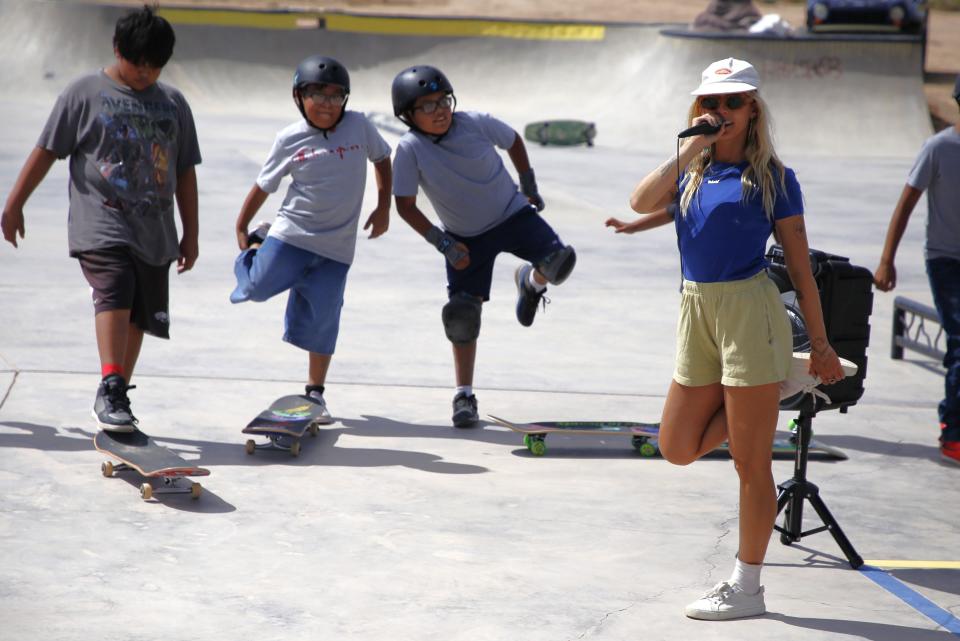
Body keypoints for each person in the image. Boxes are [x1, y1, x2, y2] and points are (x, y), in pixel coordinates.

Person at [618, 57, 847, 620]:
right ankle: (770, 383)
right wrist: (695, 145)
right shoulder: (692, 169)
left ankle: (748, 587)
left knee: (750, 464)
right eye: (711, 102)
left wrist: (820, 344)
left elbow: (798, 268)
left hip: (749, 312)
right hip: (696, 311)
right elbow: (641, 202)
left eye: (733, 102)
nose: (720, 111)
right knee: (674, 446)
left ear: (753, 111)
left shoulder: (773, 177)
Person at [0, 6, 201, 432]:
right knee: (115, 285)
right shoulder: (84, 93)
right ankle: (111, 380)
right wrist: (15, 203)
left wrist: (192, 234)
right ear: (116, 49)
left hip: (155, 228)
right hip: (101, 222)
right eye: (137, 63)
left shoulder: (173, 103)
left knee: (141, 313)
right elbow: (47, 150)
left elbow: (185, 170)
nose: (145, 73)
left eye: (155, 66)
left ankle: (116, 395)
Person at [390, 65, 576, 427]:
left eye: (443, 101)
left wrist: (529, 184)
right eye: (427, 106)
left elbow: (513, 141)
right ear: (408, 115)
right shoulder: (410, 149)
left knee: (558, 263)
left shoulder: (475, 122)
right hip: (464, 238)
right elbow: (405, 206)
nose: (440, 110)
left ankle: (532, 282)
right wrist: (443, 244)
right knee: (462, 317)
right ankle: (464, 395)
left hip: (514, 215)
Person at [231, 55, 391, 421]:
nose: (327, 105)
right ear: (299, 97)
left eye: (336, 97)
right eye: (317, 95)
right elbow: (264, 185)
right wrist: (242, 226)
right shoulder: (289, 138)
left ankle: (315, 393)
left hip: (336, 248)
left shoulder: (360, 126)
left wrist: (384, 207)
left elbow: (382, 158)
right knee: (254, 290)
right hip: (292, 235)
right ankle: (259, 244)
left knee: (324, 321)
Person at [874, 74, 960, 465]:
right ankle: (953, 430)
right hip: (946, 260)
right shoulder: (939, 148)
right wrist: (887, 259)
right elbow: (906, 203)